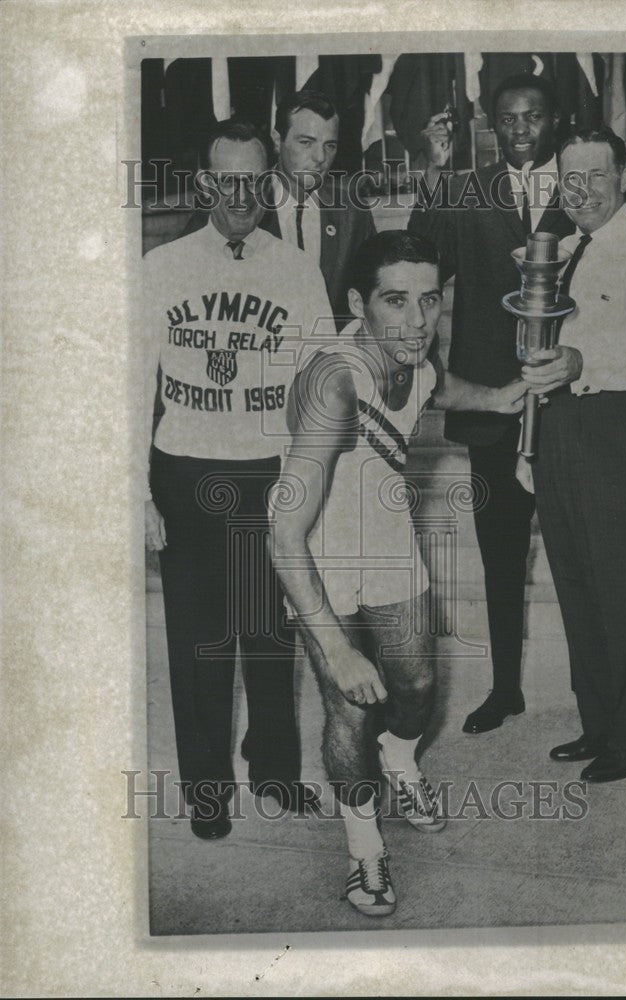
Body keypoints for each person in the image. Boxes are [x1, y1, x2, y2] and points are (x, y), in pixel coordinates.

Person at [269, 230, 527, 915]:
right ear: (358, 303)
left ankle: (402, 759)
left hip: (386, 541)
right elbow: (283, 533)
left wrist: (505, 396)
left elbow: (440, 387)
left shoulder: (415, 351)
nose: (415, 321)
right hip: (318, 559)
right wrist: (334, 646)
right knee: (349, 709)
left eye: (429, 301)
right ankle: (364, 853)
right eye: (395, 302)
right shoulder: (332, 381)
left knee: (416, 683)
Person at [143, 119, 333, 838]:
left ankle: (278, 774)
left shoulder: (295, 269)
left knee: (267, 636)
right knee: (199, 644)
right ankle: (206, 793)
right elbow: (134, 385)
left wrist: (306, 484)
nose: (242, 195)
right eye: (227, 181)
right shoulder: (163, 268)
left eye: (255, 180)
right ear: (204, 183)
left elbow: (320, 387)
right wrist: (139, 493)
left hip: (265, 475)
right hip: (185, 473)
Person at [408, 73, 575, 735]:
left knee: (576, 554)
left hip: (567, 401)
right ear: (492, 126)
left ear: (554, 119)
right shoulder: (469, 190)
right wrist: (436, 171)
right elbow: (420, 258)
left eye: (532, 117)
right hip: (493, 408)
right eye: (507, 120)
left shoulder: (581, 185)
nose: (520, 130)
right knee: (502, 557)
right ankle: (506, 689)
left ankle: (599, 698)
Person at [519, 127, 626, 783]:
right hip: (559, 428)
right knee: (579, 586)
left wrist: (579, 360)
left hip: (615, 428)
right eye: (569, 178)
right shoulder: (561, 250)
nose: (579, 191)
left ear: (623, 179)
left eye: (594, 176)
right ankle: (600, 722)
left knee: (625, 591)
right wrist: (530, 443)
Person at [264, 88, 376, 325]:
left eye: (330, 146)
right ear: (277, 140)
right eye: (306, 142)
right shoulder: (243, 205)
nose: (320, 158)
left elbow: (372, 294)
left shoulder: (352, 212)